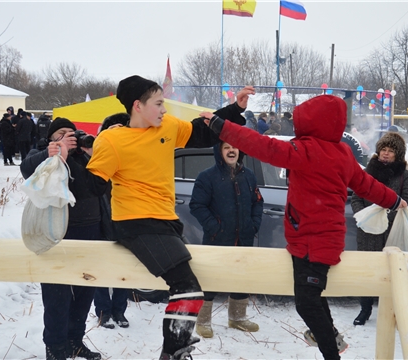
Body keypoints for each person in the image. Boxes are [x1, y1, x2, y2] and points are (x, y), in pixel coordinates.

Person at [200, 94, 407, 360]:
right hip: (319, 238)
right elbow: (367, 185)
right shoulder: (342, 153)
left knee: (306, 303)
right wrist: (394, 200)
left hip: (312, 240)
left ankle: (331, 352)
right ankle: (328, 334)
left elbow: (262, 145)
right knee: (312, 293)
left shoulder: (306, 150)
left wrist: (222, 126)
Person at [86, 75, 253, 360]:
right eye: (159, 103)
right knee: (188, 288)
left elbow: (202, 133)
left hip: (165, 221)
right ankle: (174, 351)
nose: (165, 109)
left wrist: (234, 109)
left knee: (188, 287)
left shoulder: (167, 127)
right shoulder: (113, 139)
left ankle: (176, 349)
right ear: (137, 106)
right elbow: (92, 186)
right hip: (136, 223)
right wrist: (75, 156)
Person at [20, 117, 103, 360]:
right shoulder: (44, 154)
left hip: (91, 232)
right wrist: (53, 153)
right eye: (62, 133)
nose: (70, 136)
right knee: (57, 296)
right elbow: (27, 168)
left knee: (85, 291)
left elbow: (100, 186)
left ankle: (75, 341)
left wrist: (94, 152)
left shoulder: (84, 157)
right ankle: (55, 348)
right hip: (58, 234)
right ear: (51, 138)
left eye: (72, 133)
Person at [189, 141, 263, 338]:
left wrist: (253, 224)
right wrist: (215, 227)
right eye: (226, 147)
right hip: (217, 239)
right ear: (219, 151)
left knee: (241, 276)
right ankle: (203, 320)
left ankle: (237, 318)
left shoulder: (248, 176)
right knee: (210, 278)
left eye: (235, 147)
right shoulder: (207, 177)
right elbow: (197, 205)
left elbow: (258, 202)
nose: (232, 150)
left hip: (244, 237)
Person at [351, 132, 408, 326]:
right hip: (368, 231)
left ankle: (393, 311)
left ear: (398, 154)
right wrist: (363, 217)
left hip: (392, 231)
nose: (385, 154)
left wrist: (389, 213)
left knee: (393, 272)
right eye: (383, 150)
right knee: (368, 270)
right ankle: (365, 309)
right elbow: (356, 198)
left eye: (390, 151)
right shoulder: (367, 172)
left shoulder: (404, 175)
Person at [93, 113, 132, 330]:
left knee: (123, 270)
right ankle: (102, 312)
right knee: (101, 270)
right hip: (100, 220)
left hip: (126, 221)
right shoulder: (99, 154)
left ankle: (119, 310)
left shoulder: (133, 154)